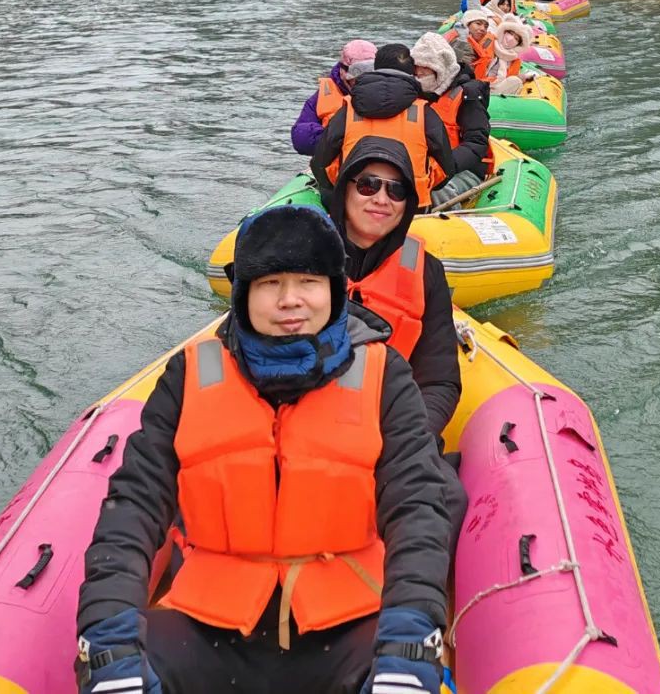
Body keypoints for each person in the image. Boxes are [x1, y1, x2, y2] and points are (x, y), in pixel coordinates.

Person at [75, 205, 450, 694]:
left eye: (308, 282)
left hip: (349, 623)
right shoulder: (188, 376)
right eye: (271, 284)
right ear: (244, 294)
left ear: (333, 290)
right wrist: (108, 636)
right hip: (210, 625)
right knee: (114, 670)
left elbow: (417, 507)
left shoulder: (385, 376)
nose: (290, 300)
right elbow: (134, 506)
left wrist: (410, 637)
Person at [328, 140, 469, 550]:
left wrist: (401, 438)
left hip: (393, 425)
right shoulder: (303, 255)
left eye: (397, 190)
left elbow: (440, 381)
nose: (381, 199)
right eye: (368, 185)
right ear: (345, 188)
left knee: (445, 498)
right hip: (309, 420)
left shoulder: (426, 271)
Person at [312, 44, 454, 207]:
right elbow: (446, 169)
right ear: (412, 73)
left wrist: (344, 183)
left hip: (355, 202)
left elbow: (320, 163)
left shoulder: (348, 109)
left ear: (375, 67)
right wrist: (423, 183)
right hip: (411, 205)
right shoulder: (425, 112)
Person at [411, 31, 490, 185]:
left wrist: (445, 167)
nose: (419, 73)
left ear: (440, 67)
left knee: (438, 192)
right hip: (421, 166)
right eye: (416, 67)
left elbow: (477, 142)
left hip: (461, 169)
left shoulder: (468, 94)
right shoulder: (412, 92)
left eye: (425, 67)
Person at [290, 39, 377, 157]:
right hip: (338, 160)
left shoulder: (389, 92)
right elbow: (301, 139)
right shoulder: (324, 95)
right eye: (357, 77)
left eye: (368, 75)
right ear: (342, 71)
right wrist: (336, 139)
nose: (362, 81)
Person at [443, 9, 495, 83]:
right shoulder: (462, 42)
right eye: (478, 24)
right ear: (467, 25)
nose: (483, 29)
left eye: (486, 27)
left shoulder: (481, 43)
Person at [488, 15, 534, 96]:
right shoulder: (489, 42)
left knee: (516, 81)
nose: (511, 38)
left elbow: (510, 77)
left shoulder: (513, 59)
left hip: (495, 89)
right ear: (504, 31)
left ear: (518, 44)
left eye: (516, 38)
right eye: (510, 33)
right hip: (480, 85)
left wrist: (522, 77)